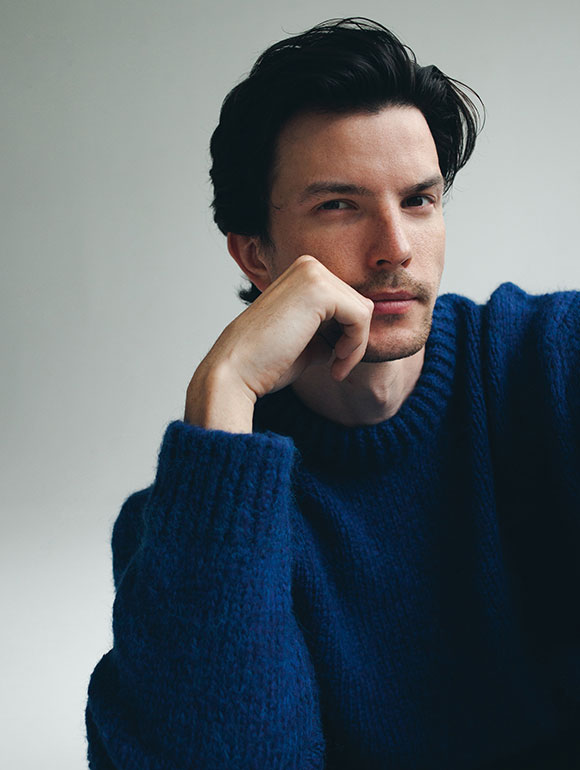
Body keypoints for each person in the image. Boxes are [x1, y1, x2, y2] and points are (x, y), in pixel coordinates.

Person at [86, 17, 580, 770]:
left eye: (419, 200)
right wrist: (225, 393)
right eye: (340, 205)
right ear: (256, 255)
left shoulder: (550, 363)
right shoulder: (195, 524)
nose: (395, 247)